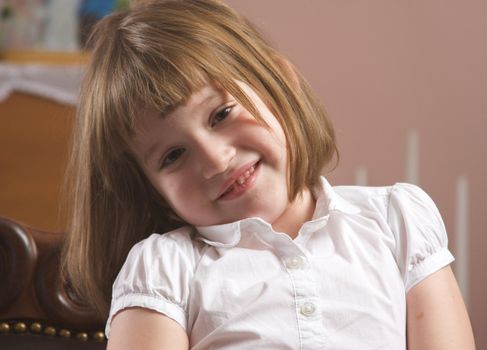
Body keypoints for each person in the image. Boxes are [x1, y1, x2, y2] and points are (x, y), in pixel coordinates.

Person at [61, 0, 476, 349]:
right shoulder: (164, 270)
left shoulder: (395, 222)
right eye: (172, 155)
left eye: (222, 113)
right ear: (147, 187)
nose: (216, 160)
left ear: (282, 83)